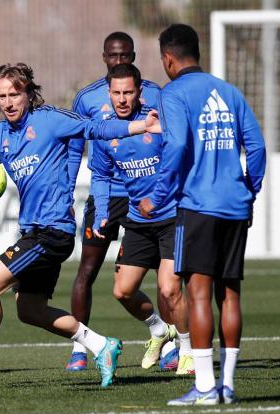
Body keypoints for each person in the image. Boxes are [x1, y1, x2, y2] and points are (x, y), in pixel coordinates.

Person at [0, 63, 161, 388]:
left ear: (28, 93)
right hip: (34, 233)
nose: (9, 102)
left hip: (52, 232)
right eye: (1, 96)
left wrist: (141, 126)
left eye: (15, 94)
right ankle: (102, 346)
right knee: (29, 309)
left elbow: (95, 129)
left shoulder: (49, 120)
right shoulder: (0, 136)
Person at [139, 24, 266, 405]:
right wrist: (249, 189)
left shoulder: (173, 93)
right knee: (230, 295)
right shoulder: (229, 91)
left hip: (197, 206)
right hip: (234, 205)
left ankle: (206, 388)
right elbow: (256, 146)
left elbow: (176, 145)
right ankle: (227, 385)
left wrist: (157, 196)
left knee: (198, 295)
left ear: (168, 58)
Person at [65, 32, 175, 372]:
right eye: (113, 56)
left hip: (147, 192)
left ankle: (171, 347)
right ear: (104, 57)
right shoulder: (87, 98)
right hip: (108, 194)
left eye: (125, 55)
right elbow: (75, 145)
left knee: (164, 277)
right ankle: (80, 347)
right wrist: (67, 190)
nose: (119, 61)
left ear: (134, 56)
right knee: (87, 269)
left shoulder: (154, 94)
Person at [89, 63, 193, 376]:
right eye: (117, 92)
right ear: (109, 93)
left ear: (139, 93)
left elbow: (184, 155)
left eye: (128, 92)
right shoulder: (106, 130)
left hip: (172, 216)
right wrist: (103, 211)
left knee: (169, 288)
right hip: (137, 219)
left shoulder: (158, 121)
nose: (122, 98)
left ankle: (187, 351)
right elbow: (100, 174)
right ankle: (160, 330)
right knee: (122, 291)